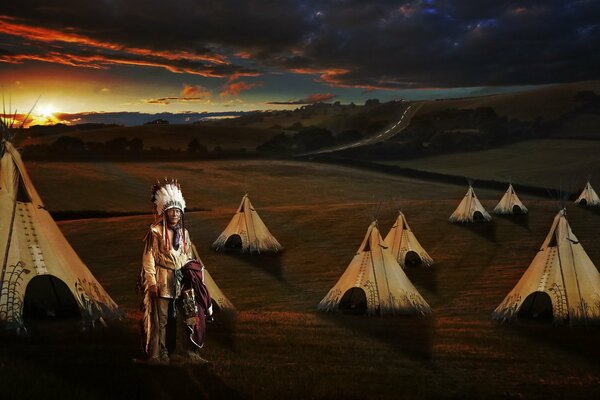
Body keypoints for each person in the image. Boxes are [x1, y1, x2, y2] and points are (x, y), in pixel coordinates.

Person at [138, 179, 210, 364]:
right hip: (163, 280)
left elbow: (188, 256)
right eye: (172, 210)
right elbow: (149, 258)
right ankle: (160, 353)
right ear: (165, 211)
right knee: (161, 320)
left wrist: (194, 274)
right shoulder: (155, 231)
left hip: (183, 281)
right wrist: (152, 282)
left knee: (190, 315)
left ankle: (191, 352)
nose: (176, 214)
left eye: (178, 210)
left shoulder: (184, 233)